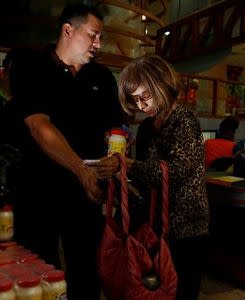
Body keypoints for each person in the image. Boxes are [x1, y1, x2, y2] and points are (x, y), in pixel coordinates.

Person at [13, 4, 123, 299]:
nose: (98, 44)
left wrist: (115, 159)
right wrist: (81, 169)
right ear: (67, 30)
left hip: (86, 197)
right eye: (93, 35)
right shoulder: (30, 65)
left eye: (101, 37)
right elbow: (38, 125)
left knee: (86, 273)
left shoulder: (102, 78)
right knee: (37, 275)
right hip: (37, 192)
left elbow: (115, 131)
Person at [93, 54, 209, 300]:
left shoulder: (184, 120)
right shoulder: (146, 127)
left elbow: (175, 171)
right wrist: (118, 166)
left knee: (180, 289)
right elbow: (144, 177)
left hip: (185, 226)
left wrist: (128, 164)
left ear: (161, 84)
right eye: (135, 100)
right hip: (153, 223)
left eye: (145, 96)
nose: (141, 106)